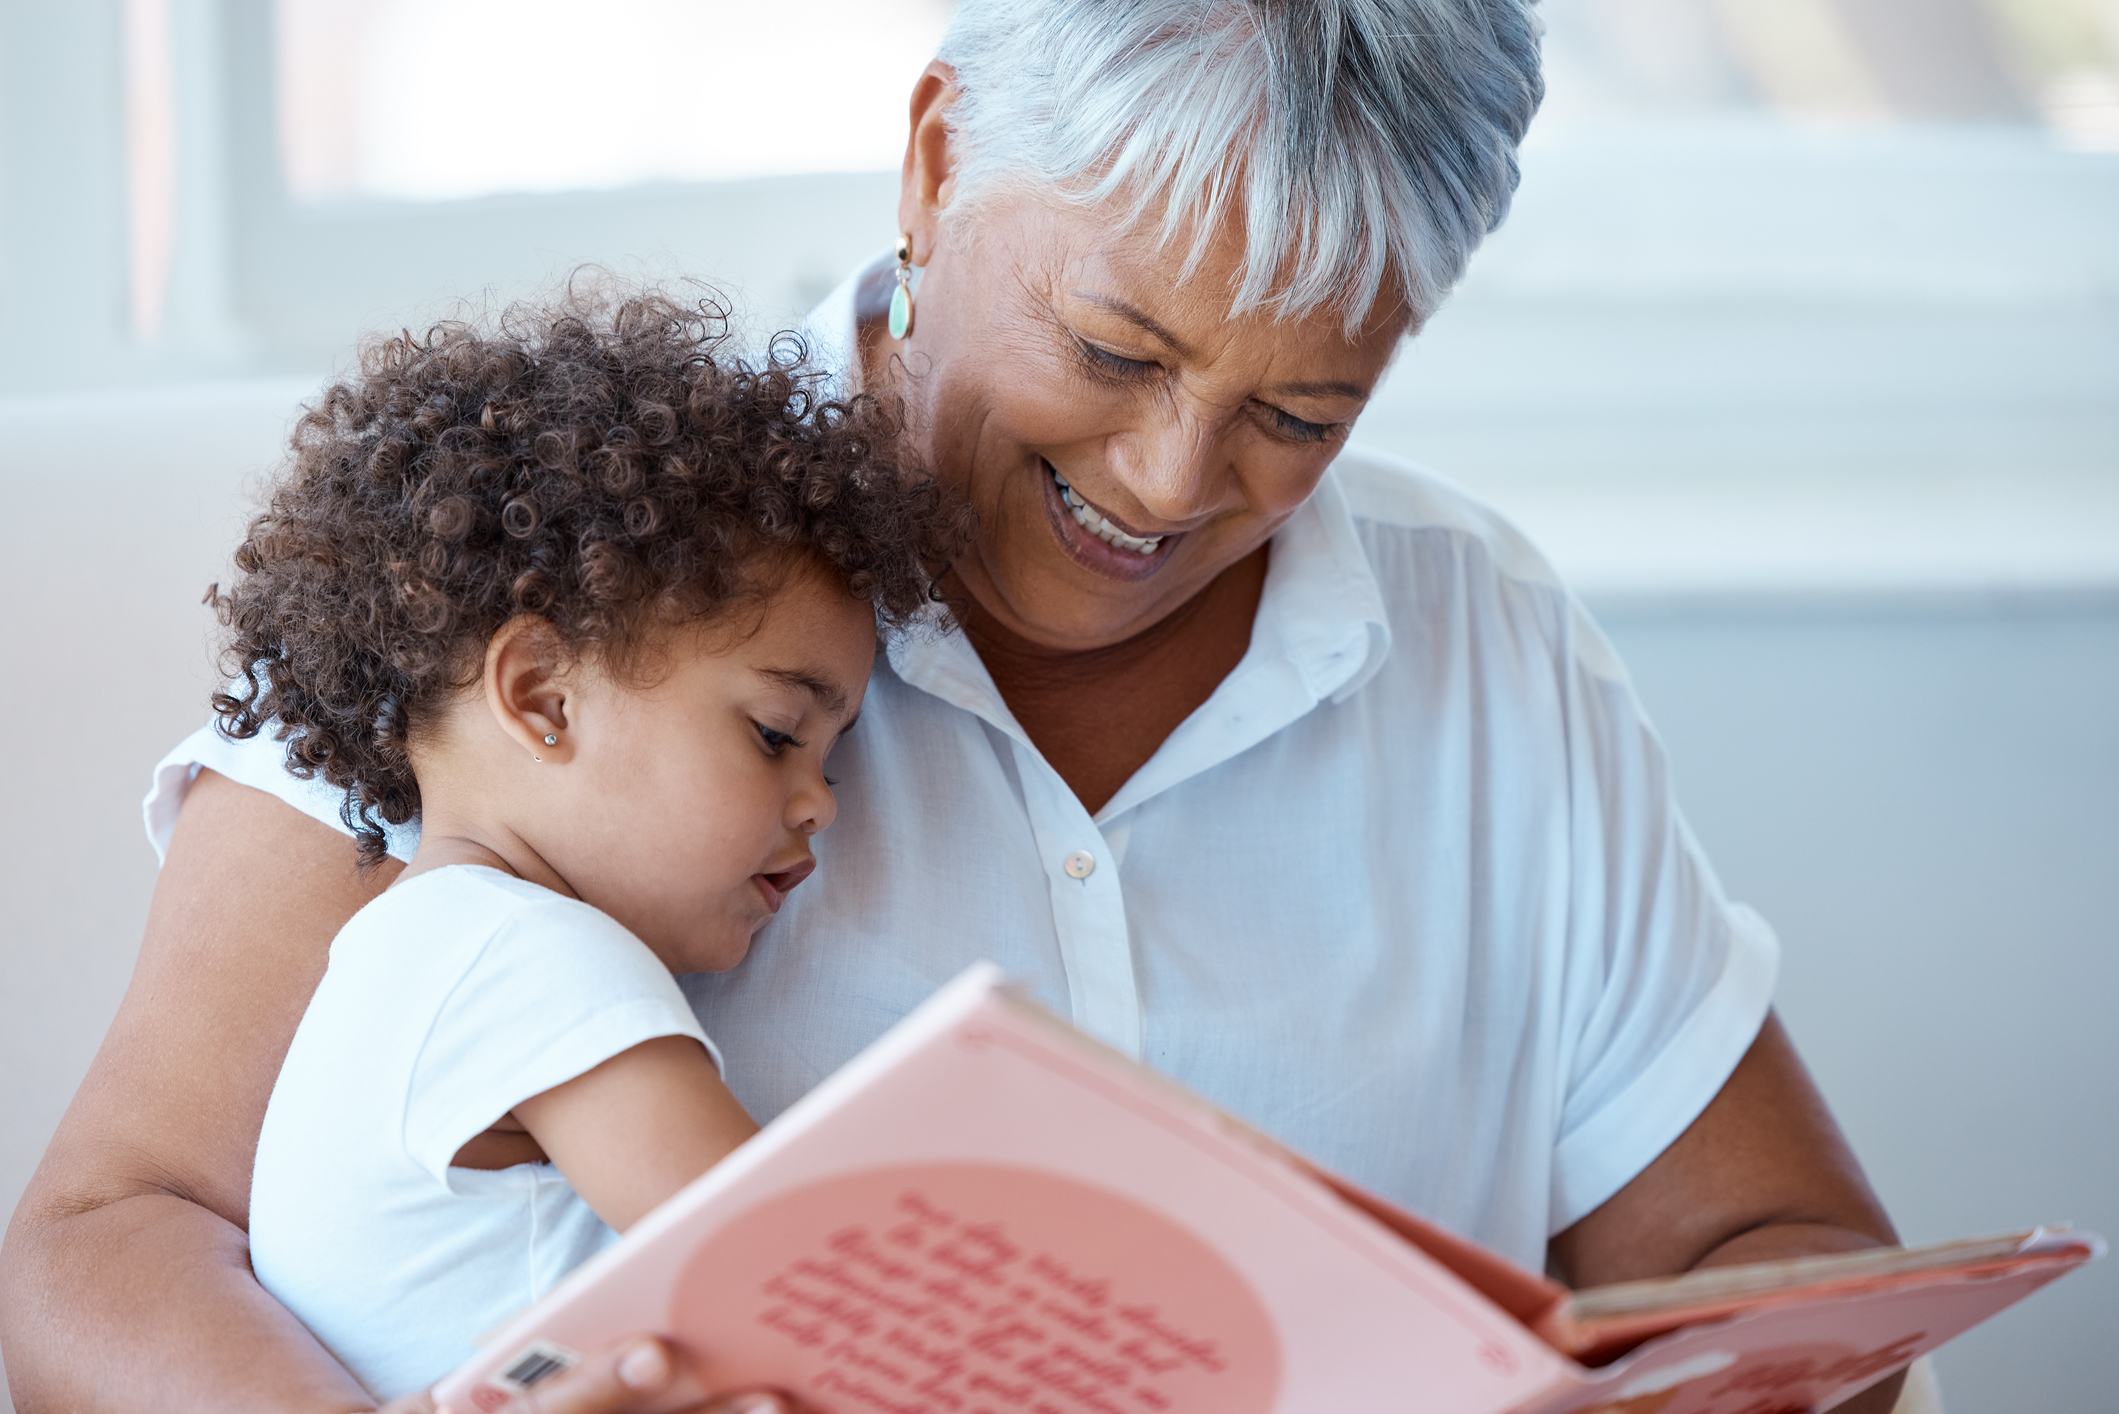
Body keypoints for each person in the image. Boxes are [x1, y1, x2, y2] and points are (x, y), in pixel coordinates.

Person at [0, 3, 1911, 1412]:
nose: (1168, 480)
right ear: (933, 165)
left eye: (1297, 413)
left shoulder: (1478, 641)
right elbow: (103, 1244)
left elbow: (1762, 1259)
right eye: (1111, 346)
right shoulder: (559, 583)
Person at [214, 290, 959, 1400]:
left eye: (833, 757)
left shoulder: (408, 951)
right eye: (774, 735)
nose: (821, 806)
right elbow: (797, 1282)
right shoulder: (530, 958)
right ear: (542, 693)